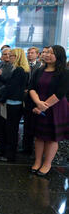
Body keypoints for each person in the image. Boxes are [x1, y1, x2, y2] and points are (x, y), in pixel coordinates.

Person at [29, 45, 69, 176]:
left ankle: (47, 164)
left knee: (52, 138)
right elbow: (32, 88)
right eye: (46, 52)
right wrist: (37, 102)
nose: (47, 55)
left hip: (56, 107)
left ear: (59, 56)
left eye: (51, 53)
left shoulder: (64, 72)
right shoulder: (39, 70)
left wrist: (42, 105)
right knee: (39, 137)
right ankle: (38, 161)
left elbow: (60, 93)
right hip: (39, 105)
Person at [0, 48, 30, 162]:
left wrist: (2, 98)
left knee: (11, 130)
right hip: (14, 102)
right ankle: (8, 152)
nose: (9, 57)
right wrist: (0, 77)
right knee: (10, 129)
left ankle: (10, 155)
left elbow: (11, 87)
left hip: (13, 103)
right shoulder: (20, 70)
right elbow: (10, 83)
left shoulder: (19, 70)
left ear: (17, 57)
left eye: (11, 55)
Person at [21, 47, 43, 155]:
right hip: (24, 98)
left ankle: (32, 149)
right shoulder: (24, 65)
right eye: (28, 53)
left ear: (37, 55)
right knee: (26, 124)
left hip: (35, 99)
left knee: (33, 125)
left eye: (32, 53)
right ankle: (26, 147)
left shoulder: (40, 66)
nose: (29, 54)